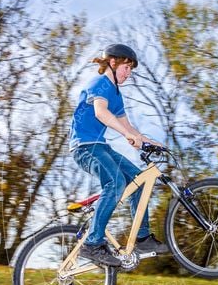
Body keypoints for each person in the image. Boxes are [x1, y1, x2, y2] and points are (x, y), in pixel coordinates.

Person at [70, 43, 169, 267]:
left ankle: (142, 238)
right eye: (127, 68)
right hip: (84, 147)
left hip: (100, 147)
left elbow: (130, 129)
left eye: (131, 70)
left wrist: (148, 142)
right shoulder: (99, 83)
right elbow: (101, 112)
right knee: (115, 182)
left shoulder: (116, 95)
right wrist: (127, 134)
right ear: (112, 63)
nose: (129, 73)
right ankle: (92, 244)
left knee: (138, 182)